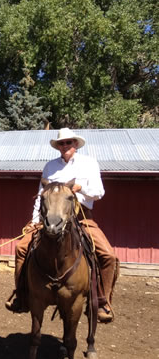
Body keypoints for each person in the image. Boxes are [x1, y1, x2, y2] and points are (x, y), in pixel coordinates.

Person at [6, 128, 118, 323]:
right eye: (61, 143)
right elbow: (41, 197)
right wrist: (34, 221)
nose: (65, 146)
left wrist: (80, 188)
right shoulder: (50, 167)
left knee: (108, 256)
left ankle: (103, 302)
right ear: (58, 146)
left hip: (81, 217)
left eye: (68, 142)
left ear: (75, 144)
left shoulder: (89, 164)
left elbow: (99, 192)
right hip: (51, 218)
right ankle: (21, 295)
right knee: (21, 248)